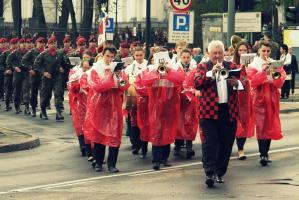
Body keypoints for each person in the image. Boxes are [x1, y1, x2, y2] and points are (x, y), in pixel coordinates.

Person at [193, 40, 244, 188]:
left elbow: (243, 82)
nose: (217, 56)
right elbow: (196, 83)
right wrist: (211, 73)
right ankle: (209, 173)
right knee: (210, 143)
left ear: (224, 53)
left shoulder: (231, 66)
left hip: (228, 111)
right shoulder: (203, 66)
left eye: (220, 53)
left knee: (226, 143)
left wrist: (237, 84)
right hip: (208, 112)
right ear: (209, 54)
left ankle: (220, 172)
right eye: (214, 53)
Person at [141, 48, 185, 170]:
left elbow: (181, 79)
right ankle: (156, 160)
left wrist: (168, 70)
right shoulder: (150, 68)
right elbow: (145, 80)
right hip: (155, 105)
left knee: (168, 130)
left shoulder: (175, 67)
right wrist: (157, 71)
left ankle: (165, 158)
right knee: (156, 132)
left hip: (170, 104)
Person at [89, 46, 129, 173]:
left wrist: (120, 77)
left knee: (114, 134)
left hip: (115, 106)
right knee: (99, 134)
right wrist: (109, 75)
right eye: (108, 56)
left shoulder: (119, 69)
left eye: (112, 57)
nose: (110, 59)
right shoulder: (96, 69)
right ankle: (98, 162)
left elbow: (124, 86)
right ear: (102, 55)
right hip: (100, 106)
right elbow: (98, 87)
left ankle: (112, 164)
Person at [247, 40, 286, 167]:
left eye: (268, 51)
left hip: (272, 98)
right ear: (259, 51)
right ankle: (262, 153)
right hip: (259, 99)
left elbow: (280, 82)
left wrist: (275, 72)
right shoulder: (254, 64)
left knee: (270, 124)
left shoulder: (275, 63)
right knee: (261, 125)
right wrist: (263, 70)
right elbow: (253, 81)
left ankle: (266, 152)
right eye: (263, 50)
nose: (266, 53)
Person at [173, 49, 199, 159]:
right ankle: (178, 145)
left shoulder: (195, 67)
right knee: (179, 122)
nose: (186, 60)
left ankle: (189, 146)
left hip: (190, 100)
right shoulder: (175, 68)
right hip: (179, 99)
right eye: (184, 57)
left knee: (190, 122)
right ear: (180, 57)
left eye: (188, 57)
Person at [34, 36, 65, 121]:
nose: (53, 45)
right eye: (51, 43)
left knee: (58, 94)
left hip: (57, 77)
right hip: (47, 77)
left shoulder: (59, 54)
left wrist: (62, 68)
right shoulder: (43, 54)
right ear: (48, 44)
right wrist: (44, 72)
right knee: (45, 95)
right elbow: (36, 65)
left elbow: (63, 63)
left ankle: (59, 112)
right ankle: (43, 111)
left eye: (55, 43)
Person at [233, 41, 255, 160]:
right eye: (240, 50)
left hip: (246, 96)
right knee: (233, 121)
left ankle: (241, 148)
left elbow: (254, 79)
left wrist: (248, 70)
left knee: (244, 121)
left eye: (244, 51)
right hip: (235, 96)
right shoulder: (232, 63)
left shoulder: (252, 65)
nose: (242, 53)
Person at [124, 47, 148, 155]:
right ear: (134, 55)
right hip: (132, 95)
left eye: (141, 55)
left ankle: (144, 145)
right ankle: (135, 144)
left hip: (144, 97)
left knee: (144, 121)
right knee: (133, 121)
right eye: (137, 55)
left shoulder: (148, 66)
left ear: (144, 55)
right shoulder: (129, 68)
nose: (139, 57)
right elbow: (124, 82)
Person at [21, 37, 45, 117]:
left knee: (43, 93)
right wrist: (29, 69)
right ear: (36, 43)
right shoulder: (32, 52)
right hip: (34, 75)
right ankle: (33, 109)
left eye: (42, 43)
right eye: (39, 42)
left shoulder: (45, 52)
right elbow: (23, 60)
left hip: (43, 75)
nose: (41, 44)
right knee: (34, 93)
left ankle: (43, 110)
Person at [6, 38, 28, 114]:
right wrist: (14, 67)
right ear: (19, 44)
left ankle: (27, 107)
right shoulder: (15, 52)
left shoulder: (28, 52)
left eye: (25, 43)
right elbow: (8, 60)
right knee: (17, 91)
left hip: (25, 73)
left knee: (26, 90)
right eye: (22, 43)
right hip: (17, 74)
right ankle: (17, 107)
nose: (24, 44)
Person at [1, 38, 19, 111]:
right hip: (8, 75)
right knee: (8, 90)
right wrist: (6, 70)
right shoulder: (5, 53)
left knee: (17, 91)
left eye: (16, 44)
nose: (14, 46)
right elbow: (1, 64)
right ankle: (7, 105)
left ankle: (17, 106)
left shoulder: (20, 53)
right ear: (10, 45)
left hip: (18, 75)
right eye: (13, 44)